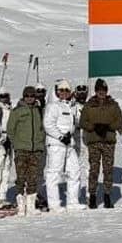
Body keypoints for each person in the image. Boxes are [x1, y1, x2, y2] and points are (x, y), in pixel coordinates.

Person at [80, 78, 122, 208]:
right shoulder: (89, 105)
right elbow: (83, 122)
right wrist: (93, 127)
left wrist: (108, 126)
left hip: (108, 141)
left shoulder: (113, 105)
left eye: (103, 90)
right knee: (94, 170)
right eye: (99, 90)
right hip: (94, 141)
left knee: (108, 169)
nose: (101, 92)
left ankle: (107, 195)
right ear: (95, 91)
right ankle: (93, 196)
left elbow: (119, 122)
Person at [43, 80, 83, 212]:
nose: (64, 93)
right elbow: (48, 125)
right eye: (61, 90)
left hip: (69, 144)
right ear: (57, 92)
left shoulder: (71, 107)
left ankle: (73, 201)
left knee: (75, 171)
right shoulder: (53, 106)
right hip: (56, 144)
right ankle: (54, 204)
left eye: (66, 90)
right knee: (54, 174)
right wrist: (60, 136)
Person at [7, 86, 45, 216]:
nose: (29, 98)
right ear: (23, 97)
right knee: (21, 177)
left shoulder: (39, 110)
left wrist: (40, 143)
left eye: (32, 96)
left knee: (33, 178)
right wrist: (17, 144)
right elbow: (10, 129)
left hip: (35, 149)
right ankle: (21, 206)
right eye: (27, 96)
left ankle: (31, 206)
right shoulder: (17, 111)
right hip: (22, 149)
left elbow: (42, 128)